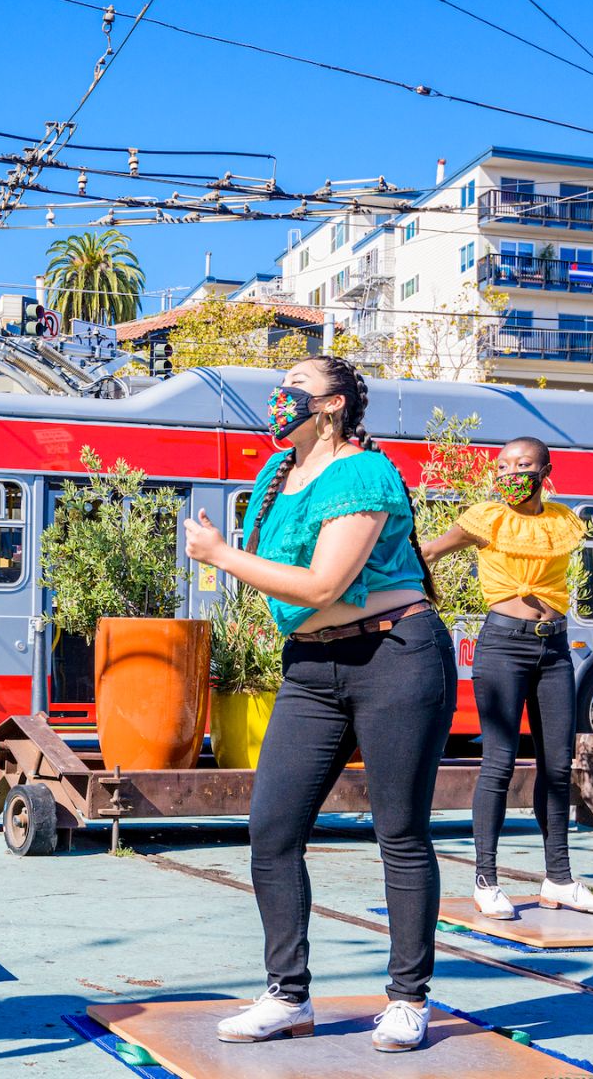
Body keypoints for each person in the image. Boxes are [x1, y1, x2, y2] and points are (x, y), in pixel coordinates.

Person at [184, 355, 456, 1054]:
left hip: (394, 655)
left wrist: (218, 555)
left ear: (331, 405)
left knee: (398, 831)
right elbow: (287, 591)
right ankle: (287, 995)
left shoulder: (362, 472)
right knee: (272, 829)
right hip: (312, 668)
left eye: (295, 388)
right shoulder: (274, 477)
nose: (280, 398)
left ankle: (407, 999)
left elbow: (320, 583)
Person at [423, 437, 593, 921]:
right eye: (503, 465)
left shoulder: (561, 520)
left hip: (555, 647)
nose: (511, 472)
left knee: (556, 764)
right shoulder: (487, 517)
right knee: (500, 762)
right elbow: (430, 553)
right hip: (503, 644)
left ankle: (559, 880)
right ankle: (486, 881)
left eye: (523, 464)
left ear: (545, 470)